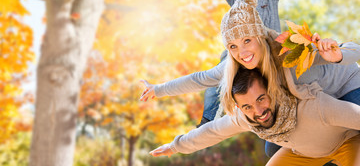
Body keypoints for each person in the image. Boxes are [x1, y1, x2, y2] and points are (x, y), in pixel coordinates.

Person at [147, 0, 360, 165]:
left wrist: (338, 55)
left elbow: (353, 50)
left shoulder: (291, 53)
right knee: (272, 144)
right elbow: (201, 84)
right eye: (233, 46)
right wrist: (158, 90)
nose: (242, 52)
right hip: (308, 118)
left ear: (259, 36)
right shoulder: (236, 69)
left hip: (346, 89)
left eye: (247, 40)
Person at [197, 0, 304, 149]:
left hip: (269, 49)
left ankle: (294, 115)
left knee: (284, 79)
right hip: (242, 50)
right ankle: (207, 120)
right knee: (216, 76)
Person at [149, 67, 360, 165]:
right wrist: (176, 146)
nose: (258, 112)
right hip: (304, 153)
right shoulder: (246, 117)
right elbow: (212, 131)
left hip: (346, 142)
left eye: (261, 99)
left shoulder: (313, 105)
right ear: (239, 108)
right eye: (248, 106)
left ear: (272, 91)